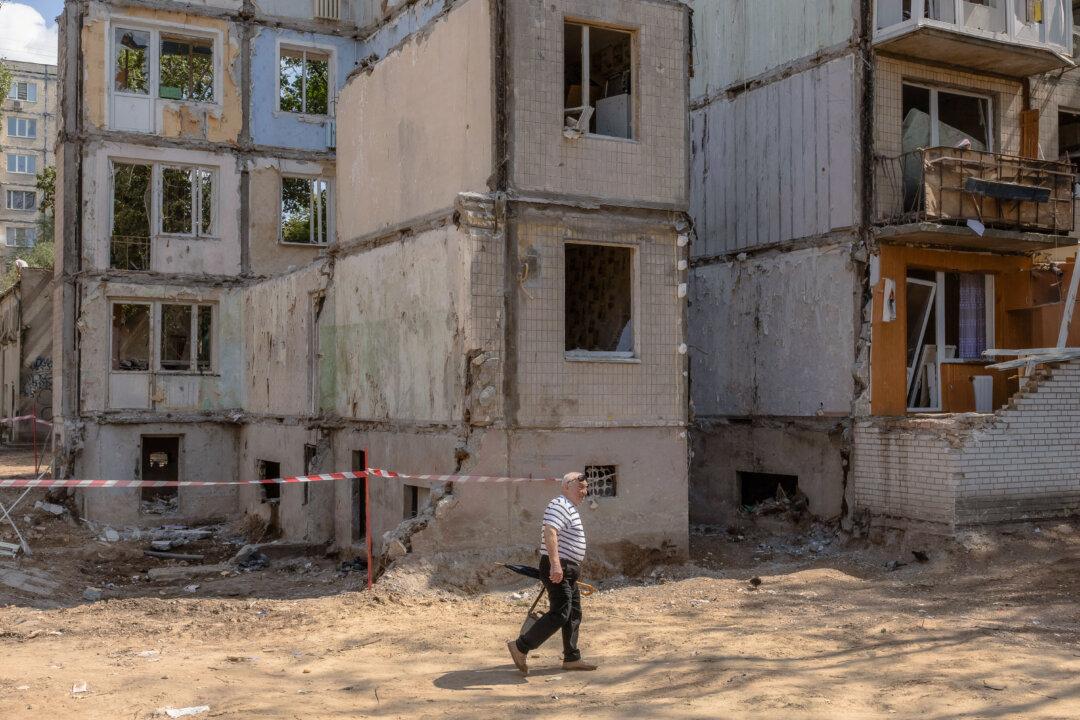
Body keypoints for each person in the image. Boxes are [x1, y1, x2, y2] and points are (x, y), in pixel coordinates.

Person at [507, 472, 598, 675]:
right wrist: (556, 564)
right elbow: (550, 532)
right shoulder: (559, 504)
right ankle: (520, 646)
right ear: (567, 486)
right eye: (581, 487)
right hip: (559, 567)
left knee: (573, 613)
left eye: (586, 487)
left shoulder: (569, 507)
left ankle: (572, 658)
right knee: (560, 613)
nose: (585, 491)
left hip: (568, 568)